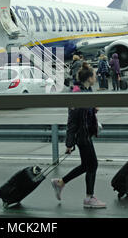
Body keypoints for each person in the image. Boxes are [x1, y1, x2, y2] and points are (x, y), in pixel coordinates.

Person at [50, 67, 106, 208]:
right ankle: (89, 198)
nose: (96, 77)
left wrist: (93, 109)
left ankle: (60, 183)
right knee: (93, 165)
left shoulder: (87, 91)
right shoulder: (76, 93)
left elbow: (86, 111)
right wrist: (69, 143)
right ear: (89, 78)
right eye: (94, 75)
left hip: (86, 134)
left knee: (86, 165)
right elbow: (72, 120)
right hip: (81, 136)